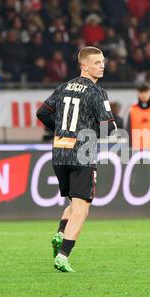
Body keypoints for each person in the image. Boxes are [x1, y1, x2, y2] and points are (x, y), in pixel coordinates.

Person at [36, 46, 116, 273]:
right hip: (83, 153)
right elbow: (108, 128)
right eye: (97, 62)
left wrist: (60, 130)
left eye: (102, 61)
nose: (102, 65)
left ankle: (61, 233)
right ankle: (63, 256)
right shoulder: (97, 92)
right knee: (82, 208)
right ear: (84, 66)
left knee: (74, 202)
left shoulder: (63, 87)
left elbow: (42, 113)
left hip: (60, 152)